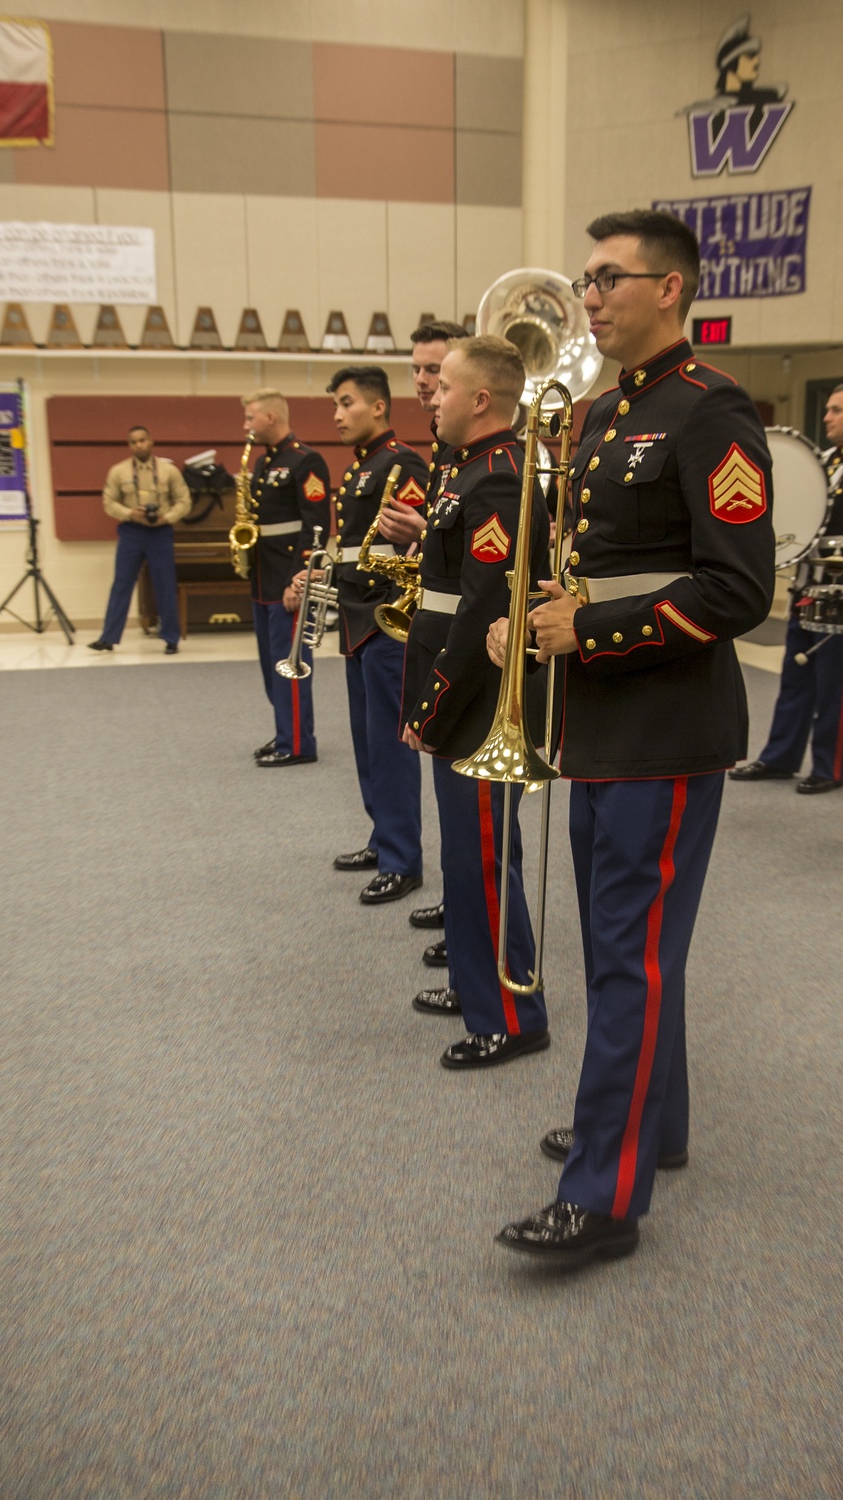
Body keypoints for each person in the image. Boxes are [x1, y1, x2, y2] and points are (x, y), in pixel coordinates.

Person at [490, 209, 775, 1265]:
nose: (589, 295)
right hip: (603, 719)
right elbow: (607, 555)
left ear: (671, 289)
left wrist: (593, 627)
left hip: (663, 724)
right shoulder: (606, 413)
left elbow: (738, 588)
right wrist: (543, 606)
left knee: (627, 959)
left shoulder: (712, 413)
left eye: (609, 278)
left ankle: (604, 1195)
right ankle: (651, 1128)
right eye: (587, 276)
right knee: (636, 952)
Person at [401, 334, 551, 1065]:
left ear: (482, 399)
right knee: (467, 857)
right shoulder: (468, 470)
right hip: (455, 695)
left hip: (477, 703)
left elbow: (478, 610)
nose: (432, 395)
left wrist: (432, 710)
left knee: (485, 858)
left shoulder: (498, 478)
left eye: (445, 387)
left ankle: (513, 1019)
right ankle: (472, 980)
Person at [730, 382, 843, 793]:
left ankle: (828, 766)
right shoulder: (822, 463)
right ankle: (779, 757)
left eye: (837, 410)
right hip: (810, 588)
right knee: (795, 678)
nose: (827, 417)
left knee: (832, 686)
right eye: (827, 410)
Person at [328, 365, 429, 904]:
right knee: (367, 742)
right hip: (355, 614)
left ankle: (401, 858)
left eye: (346, 403)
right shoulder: (362, 468)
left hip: (385, 621)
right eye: (335, 406)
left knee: (390, 746)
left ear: (378, 407)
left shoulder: (401, 463)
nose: (338, 415)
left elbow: (414, 547)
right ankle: (382, 835)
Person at [401, 321, 471, 981]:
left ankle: (474, 925)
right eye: (420, 372)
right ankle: (462, 909)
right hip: (441, 643)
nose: (424, 384)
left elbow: (480, 577)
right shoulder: (444, 453)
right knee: (459, 820)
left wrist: (429, 532)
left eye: (437, 373)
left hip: (466, 658)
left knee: (479, 829)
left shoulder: (484, 461)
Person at [242, 388, 331, 768]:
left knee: (289, 662)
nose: (245, 426)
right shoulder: (263, 464)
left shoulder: (305, 460)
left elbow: (316, 526)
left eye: (250, 418)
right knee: (270, 665)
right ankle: (285, 732)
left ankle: (298, 743)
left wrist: (300, 580)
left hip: (287, 580)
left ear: (271, 418)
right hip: (262, 578)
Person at [88, 425, 191, 654]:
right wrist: (129, 513)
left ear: (151, 441)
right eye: (134, 442)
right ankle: (108, 638)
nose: (139, 445)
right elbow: (109, 501)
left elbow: (184, 500)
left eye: (142, 440)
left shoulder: (168, 471)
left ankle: (171, 638)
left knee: (164, 584)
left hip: (161, 532)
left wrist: (168, 517)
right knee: (122, 584)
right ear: (130, 445)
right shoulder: (119, 471)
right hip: (132, 532)